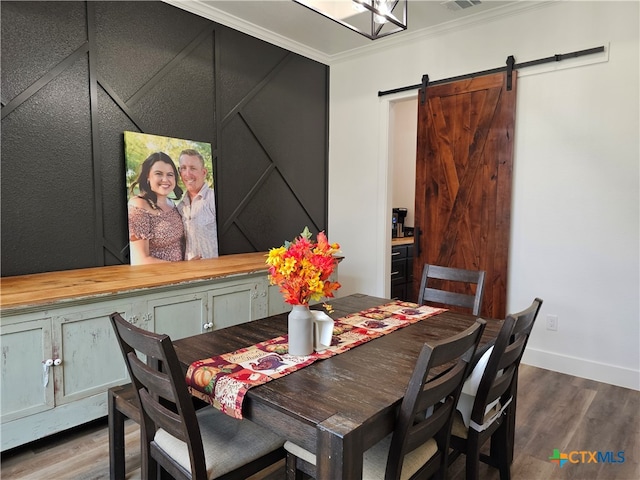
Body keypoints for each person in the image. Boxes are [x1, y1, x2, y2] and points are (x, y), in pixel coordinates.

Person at [128, 152, 185, 264]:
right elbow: (140, 260)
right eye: (159, 174)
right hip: (158, 276)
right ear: (147, 176)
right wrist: (181, 268)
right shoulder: (139, 206)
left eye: (170, 174)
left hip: (181, 275)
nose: (165, 179)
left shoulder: (172, 204)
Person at [177, 149, 219, 259]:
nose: (187, 174)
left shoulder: (214, 199)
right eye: (183, 168)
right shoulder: (180, 207)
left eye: (193, 168)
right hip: (189, 273)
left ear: (204, 172)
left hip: (214, 272)